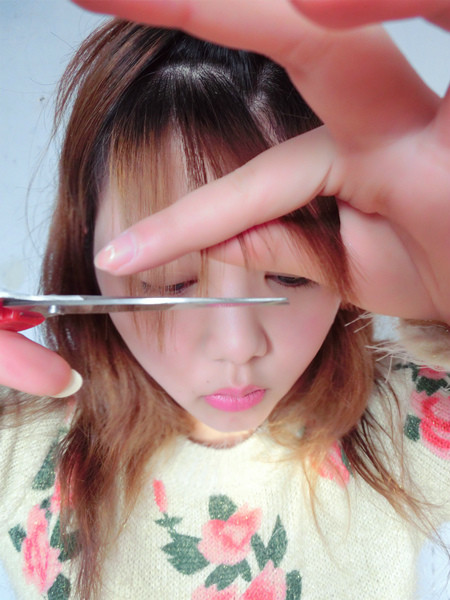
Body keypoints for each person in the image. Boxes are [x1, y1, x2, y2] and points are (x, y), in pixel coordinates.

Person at [0, 7, 449, 600]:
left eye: (292, 275)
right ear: (87, 245)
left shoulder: (411, 422)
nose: (238, 347)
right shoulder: (16, 444)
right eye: (170, 283)